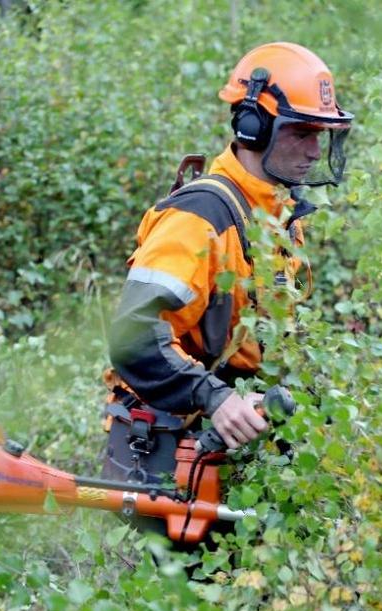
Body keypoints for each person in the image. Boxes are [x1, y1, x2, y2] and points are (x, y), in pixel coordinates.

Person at [103, 43, 353, 482]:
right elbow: (133, 335)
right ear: (253, 126)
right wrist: (215, 398)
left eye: (321, 134)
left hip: (229, 442)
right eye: (302, 132)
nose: (315, 150)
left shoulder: (279, 216)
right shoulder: (199, 218)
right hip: (165, 444)